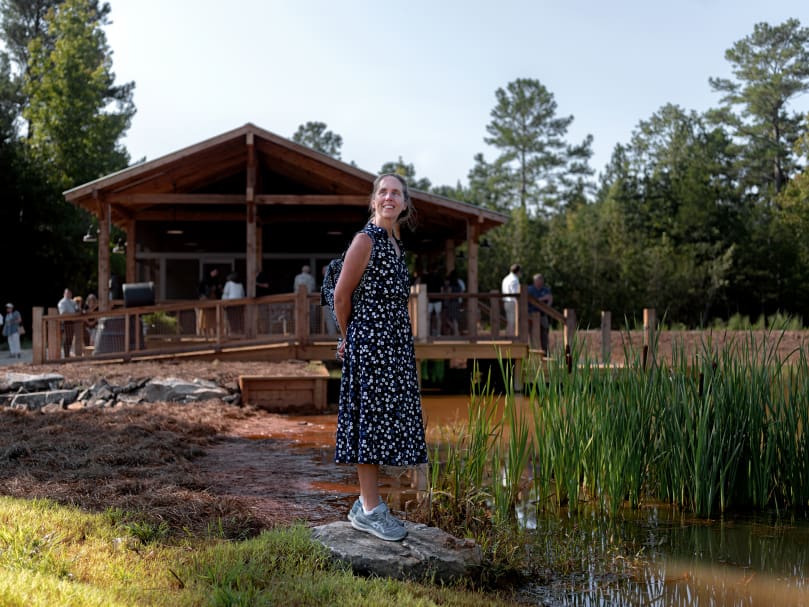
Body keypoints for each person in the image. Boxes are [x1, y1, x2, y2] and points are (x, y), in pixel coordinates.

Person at [333, 173, 428, 542]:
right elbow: (342, 296)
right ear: (374, 200)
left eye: (397, 193)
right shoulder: (365, 240)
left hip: (394, 347)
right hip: (371, 346)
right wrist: (350, 338)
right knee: (369, 423)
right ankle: (370, 510)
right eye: (383, 192)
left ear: (405, 204)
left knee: (386, 421)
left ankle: (365, 503)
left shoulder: (393, 242)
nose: (390, 197)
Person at [527, 273, 553, 352]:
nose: (541, 282)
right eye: (539, 280)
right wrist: (542, 299)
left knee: (544, 334)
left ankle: (545, 352)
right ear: (535, 281)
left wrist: (547, 307)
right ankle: (534, 352)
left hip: (543, 315)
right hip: (532, 315)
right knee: (533, 335)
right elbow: (529, 300)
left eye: (542, 280)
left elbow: (550, 298)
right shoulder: (530, 289)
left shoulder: (545, 290)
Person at [197, 268, 221, 336]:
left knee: (213, 318)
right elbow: (199, 290)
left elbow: (218, 291)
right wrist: (202, 296)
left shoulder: (216, 281)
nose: (215, 274)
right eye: (214, 272)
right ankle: (204, 333)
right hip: (205, 301)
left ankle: (213, 333)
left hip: (213, 301)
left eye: (216, 273)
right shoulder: (204, 281)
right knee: (204, 317)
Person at [58, 288, 80, 357]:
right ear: (64, 294)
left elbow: (77, 309)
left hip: (73, 322)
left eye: (70, 293)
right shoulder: (62, 302)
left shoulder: (72, 302)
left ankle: (68, 354)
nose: (69, 294)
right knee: (67, 339)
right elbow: (63, 313)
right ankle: (66, 355)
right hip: (66, 322)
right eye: (67, 293)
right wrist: (73, 314)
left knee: (70, 339)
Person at [501, 263, 521, 336]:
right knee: (513, 322)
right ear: (518, 271)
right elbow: (514, 293)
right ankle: (511, 339)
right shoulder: (514, 279)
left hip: (506, 301)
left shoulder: (506, 278)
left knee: (510, 322)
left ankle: (508, 337)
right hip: (512, 302)